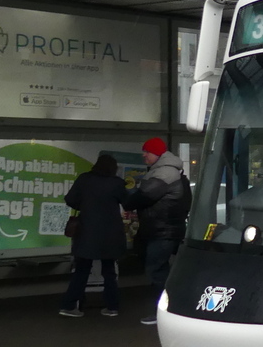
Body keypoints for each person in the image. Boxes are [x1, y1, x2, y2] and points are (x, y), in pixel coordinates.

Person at [124, 137, 191, 325]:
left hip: (162, 231)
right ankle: (174, 308)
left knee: (156, 271)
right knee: (163, 270)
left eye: (147, 152)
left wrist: (125, 197)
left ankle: (164, 312)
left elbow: (143, 196)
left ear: (158, 154)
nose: (143, 155)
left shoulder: (164, 174)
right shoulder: (166, 171)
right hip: (165, 229)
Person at [59, 154, 128, 318]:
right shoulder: (116, 183)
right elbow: (128, 202)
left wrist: (85, 204)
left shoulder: (84, 179)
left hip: (86, 232)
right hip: (110, 234)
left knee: (81, 270)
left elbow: (70, 200)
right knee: (109, 271)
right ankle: (112, 307)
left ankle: (69, 306)